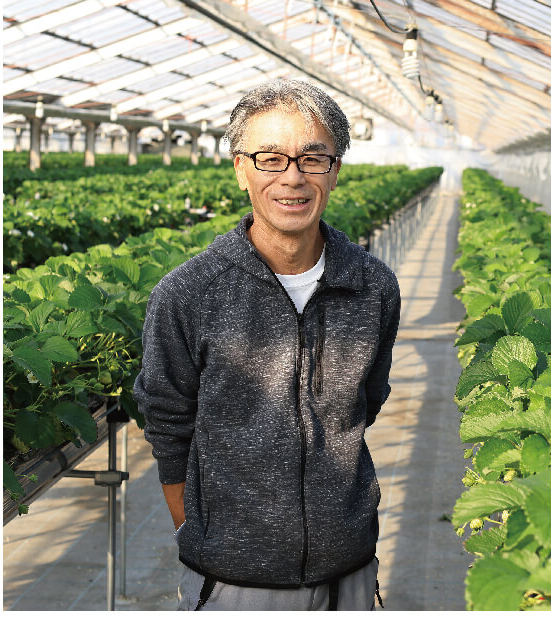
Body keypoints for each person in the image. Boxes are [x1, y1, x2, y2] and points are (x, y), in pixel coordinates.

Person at [133, 78, 401, 611]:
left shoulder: (373, 287)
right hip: (235, 581)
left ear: (336, 169)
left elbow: (366, 402)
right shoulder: (189, 294)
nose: (293, 177)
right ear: (240, 170)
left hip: (349, 566)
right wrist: (204, 534)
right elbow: (168, 426)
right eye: (270, 158)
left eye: (313, 158)